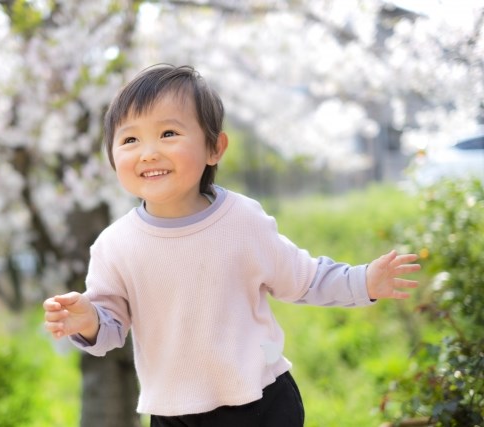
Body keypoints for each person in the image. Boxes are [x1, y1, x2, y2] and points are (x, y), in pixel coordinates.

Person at [43, 64, 421, 426]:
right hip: (173, 411)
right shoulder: (115, 245)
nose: (148, 152)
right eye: (129, 139)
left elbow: (304, 278)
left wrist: (364, 282)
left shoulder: (242, 220)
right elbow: (111, 330)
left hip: (259, 401)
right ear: (111, 156)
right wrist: (89, 320)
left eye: (168, 134)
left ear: (214, 148)